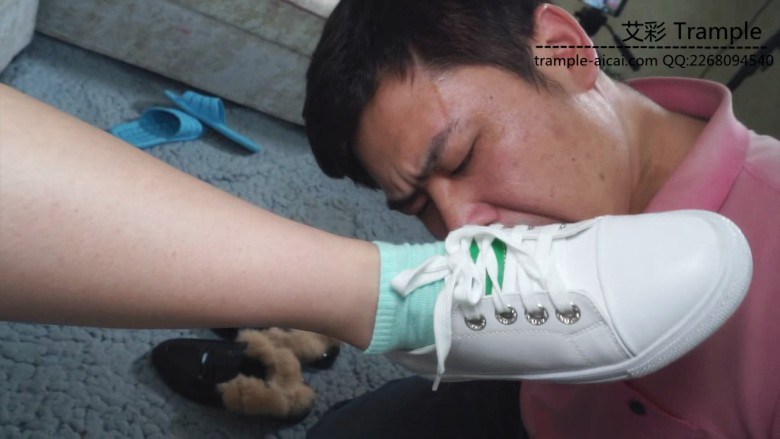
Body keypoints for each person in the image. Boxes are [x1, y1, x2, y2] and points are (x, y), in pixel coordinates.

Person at [299, 1, 779, 438]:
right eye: (421, 207)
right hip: (526, 393)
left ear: (563, 53)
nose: (463, 234)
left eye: (463, 158)